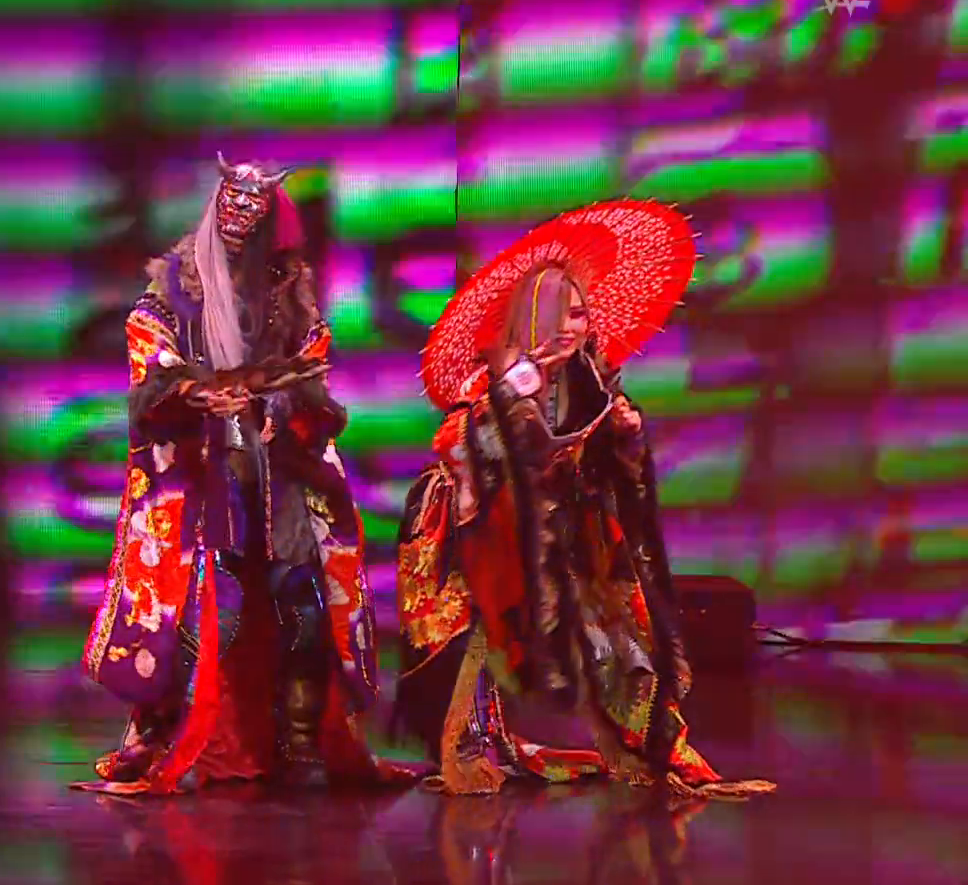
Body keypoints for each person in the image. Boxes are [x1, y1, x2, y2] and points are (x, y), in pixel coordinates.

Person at [393, 200, 774, 799]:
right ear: (533, 317)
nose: (573, 327)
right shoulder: (496, 376)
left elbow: (604, 470)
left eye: (579, 313)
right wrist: (514, 400)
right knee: (477, 636)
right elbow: (461, 448)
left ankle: (653, 750)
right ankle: (467, 746)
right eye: (561, 314)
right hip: (483, 526)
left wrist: (625, 438)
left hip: (562, 522)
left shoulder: (591, 377)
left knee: (617, 636)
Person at [76, 154, 419, 794]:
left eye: (251, 212)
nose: (237, 224)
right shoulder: (174, 292)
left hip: (279, 467)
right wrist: (193, 393)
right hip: (206, 471)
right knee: (207, 608)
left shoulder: (288, 293)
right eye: (230, 208)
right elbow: (151, 362)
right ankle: (186, 734)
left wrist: (281, 400)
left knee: (302, 599)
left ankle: (299, 745)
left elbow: (312, 371)